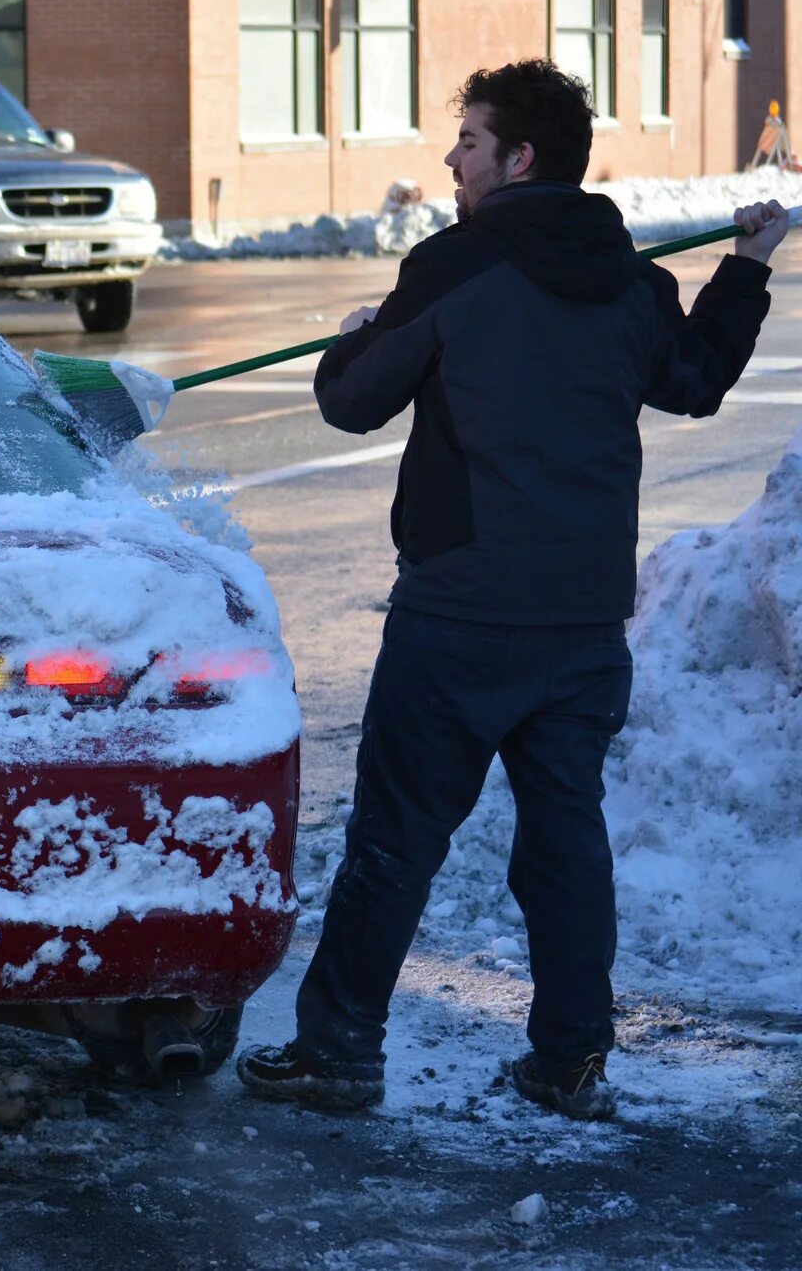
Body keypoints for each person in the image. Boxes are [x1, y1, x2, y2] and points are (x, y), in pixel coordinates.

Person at [236, 59, 786, 1120]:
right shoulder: (629, 281)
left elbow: (350, 402)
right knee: (564, 845)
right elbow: (696, 380)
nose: (450, 159)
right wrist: (743, 266)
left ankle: (335, 1052)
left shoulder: (452, 266)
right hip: (582, 623)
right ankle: (569, 1060)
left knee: (394, 844)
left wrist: (355, 335)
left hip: (458, 616)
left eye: (469, 142)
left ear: (517, 157)